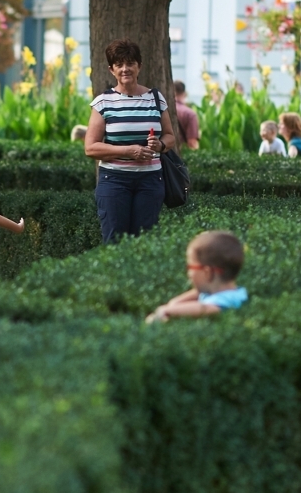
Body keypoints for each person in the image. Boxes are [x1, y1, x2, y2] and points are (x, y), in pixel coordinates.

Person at [85, 38, 175, 243]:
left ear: (139, 66)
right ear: (112, 70)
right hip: (114, 181)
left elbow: (170, 137)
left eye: (130, 63)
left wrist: (160, 145)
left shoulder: (156, 98)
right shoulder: (103, 102)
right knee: (115, 242)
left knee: (144, 243)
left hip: (150, 181)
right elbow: (90, 148)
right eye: (119, 65)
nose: (125, 69)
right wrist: (128, 151)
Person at [146, 231, 248, 323]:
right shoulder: (218, 292)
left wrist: (166, 310)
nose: (188, 272)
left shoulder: (227, 299)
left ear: (207, 272)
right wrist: (172, 306)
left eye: (190, 267)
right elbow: (176, 303)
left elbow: (207, 308)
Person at [173, 81, 199, 150]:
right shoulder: (190, 114)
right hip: (181, 154)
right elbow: (192, 142)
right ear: (184, 94)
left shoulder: (163, 109)